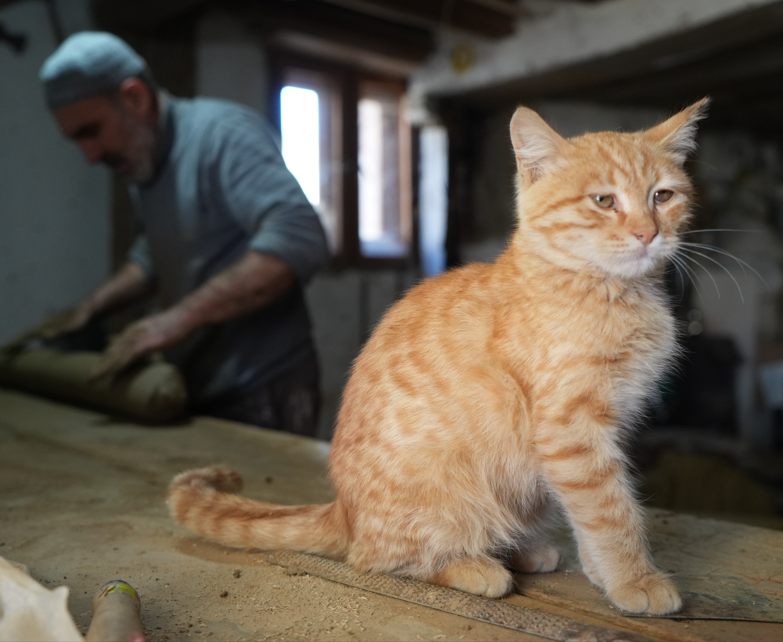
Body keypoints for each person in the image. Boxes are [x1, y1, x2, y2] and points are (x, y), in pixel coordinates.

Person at [27, 31, 330, 436]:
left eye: (92, 130)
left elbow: (299, 236)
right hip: (197, 380)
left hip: (264, 384)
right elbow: (158, 252)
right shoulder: (142, 160)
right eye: (77, 140)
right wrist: (94, 307)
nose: (90, 155)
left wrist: (174, 321)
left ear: (134, 97)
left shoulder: (221, 135)